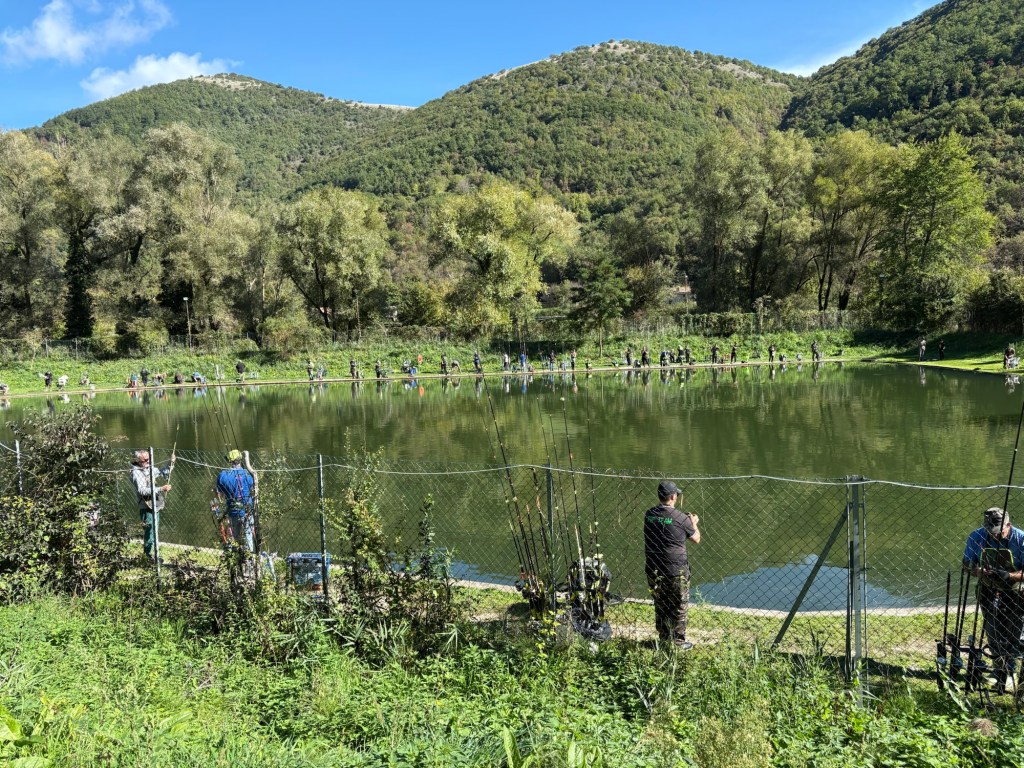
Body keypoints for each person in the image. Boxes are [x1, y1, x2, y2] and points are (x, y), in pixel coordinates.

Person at [963, 506, 1024, 693]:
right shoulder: (976, 536)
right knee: (993, 630)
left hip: (1017, 591)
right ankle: (999, 671)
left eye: (999, 532)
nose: (994, 535)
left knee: (1016, 632)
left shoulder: (1021, 539)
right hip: (988, 589)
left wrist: (1009, 575)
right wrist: (978, 571)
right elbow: (966, 564)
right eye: (991, 532)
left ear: (1009, 525)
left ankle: (1013, 672)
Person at [644, 480, 701, 650]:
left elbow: (665, 523)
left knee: (660, 603)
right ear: (673, 497)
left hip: (654, 568)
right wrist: (693, 522)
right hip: (676, 570)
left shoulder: (649, 514)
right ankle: (677, 643)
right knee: (679, 606)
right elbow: (696, 539)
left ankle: (663, 639)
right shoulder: (681, 518)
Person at [131, 449, 175, 561]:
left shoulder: (148, 468)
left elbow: (162, 472)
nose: (148, 462)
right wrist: (161, 489)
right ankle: (148, 556)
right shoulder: (136, 473)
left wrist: (170, 463)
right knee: (149, 532)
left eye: (148, 459)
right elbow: (142, 490)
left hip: (154, 504)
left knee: (154, 531)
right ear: (138, 460)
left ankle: (154, 556)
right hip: (146, 507)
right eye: (145, 460)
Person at [215, 449, 256, 553]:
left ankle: (239, 556)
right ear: (240, 460)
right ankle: (250, 556)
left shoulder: (222, 475)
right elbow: (252, 489)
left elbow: (219, 493)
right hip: (247, 510)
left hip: (233, 511)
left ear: (229, 461)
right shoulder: (247, 474)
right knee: (248, 535)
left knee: (236, 537)